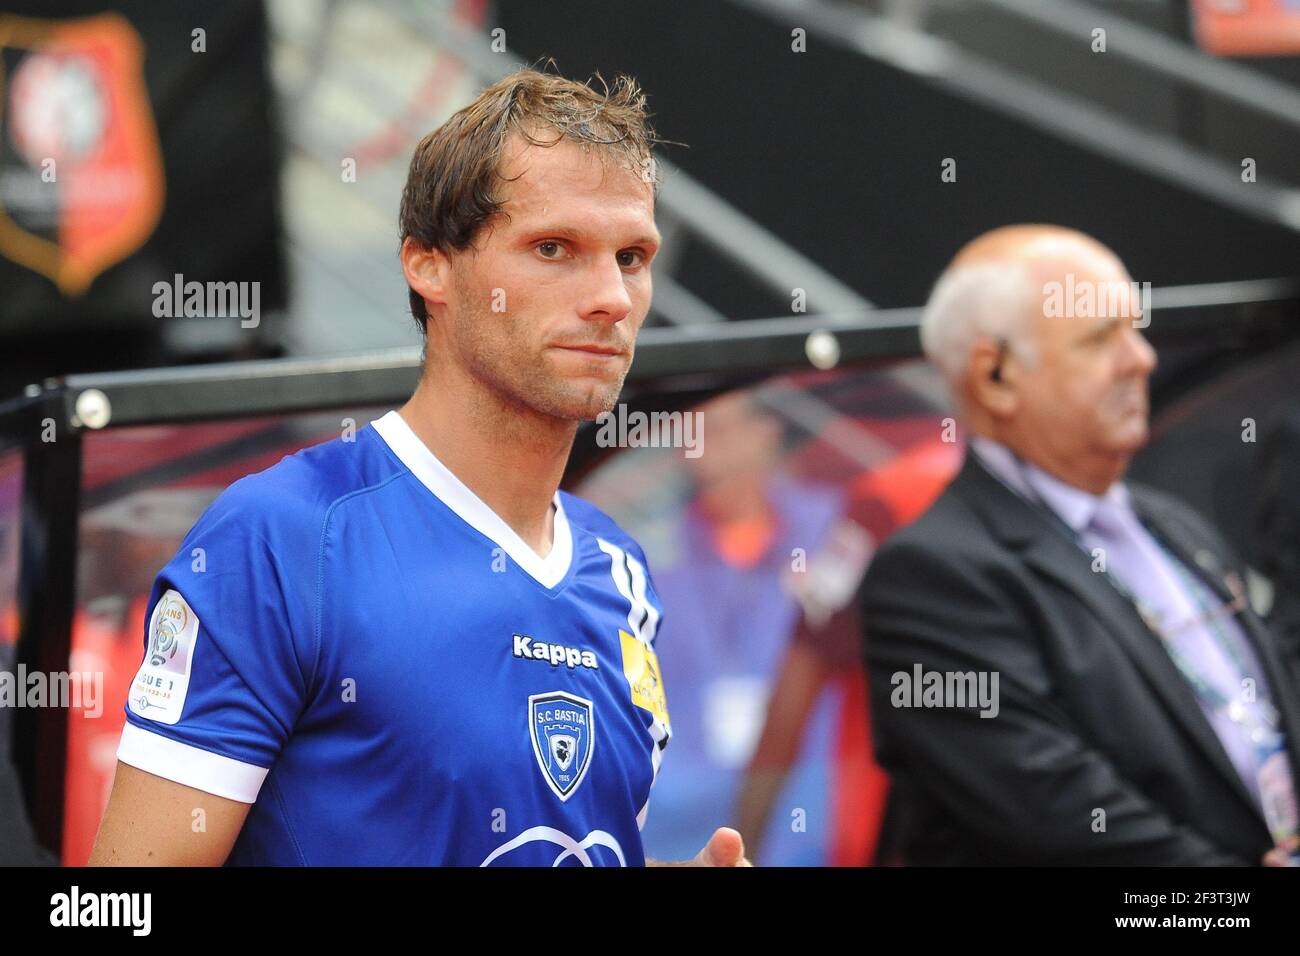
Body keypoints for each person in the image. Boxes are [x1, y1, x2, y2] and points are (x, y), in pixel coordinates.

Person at [89, 68, 749, 867]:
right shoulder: (283, 538)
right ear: (428, 265)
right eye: (554, 248)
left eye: (633, 257)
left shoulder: (622, 571)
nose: (610, 295)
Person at [860, 224, 1300, 865]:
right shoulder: (932, 577)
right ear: (996, 377)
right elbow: (1063, 826)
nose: (1142, 359)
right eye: (1101, 337)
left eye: (1136, 328)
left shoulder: (1172, 527)